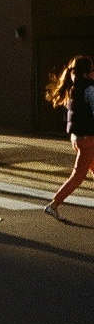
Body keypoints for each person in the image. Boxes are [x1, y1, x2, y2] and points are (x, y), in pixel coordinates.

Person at [45, 54, 94, 218]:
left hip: (77, 138)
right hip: (88, 139)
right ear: (88, 72)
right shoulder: (88, 88)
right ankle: (54, 204)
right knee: (78, 176)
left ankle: (54, 204)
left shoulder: (73, 88)